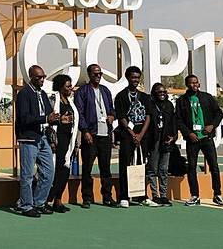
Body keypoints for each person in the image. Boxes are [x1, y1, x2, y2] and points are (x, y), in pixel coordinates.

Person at [15, 65, 60, 217]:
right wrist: (46, 118)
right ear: (31, 77)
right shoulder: (24, 94)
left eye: (43, 76)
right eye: (39, 77)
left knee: (49, 172)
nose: (42, 79)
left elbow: (48, 114)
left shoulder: (42, 94)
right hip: (28, 138)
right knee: (27, 175)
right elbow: (24, 118)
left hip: (42, 137)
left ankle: (39, 202)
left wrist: (58, 119)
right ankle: (26, 206)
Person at [176, 74, 223, 207]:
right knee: (191, 168)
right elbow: (178, 120)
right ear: (187, 84)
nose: (195, 85)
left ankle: (217, 194)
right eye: (192, 83)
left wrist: (212, 126)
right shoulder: (182, 100)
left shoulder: (207, 97)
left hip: (207, 138)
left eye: (196, 82)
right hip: (192, 139)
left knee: (214, 167)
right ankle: (194, 195)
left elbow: (218, 113)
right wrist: (188, 133)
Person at [74, 63, 118, 209]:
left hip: (105, 134)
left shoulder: (105, 91)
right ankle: (87, 197)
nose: (98, 76)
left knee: (105, 169)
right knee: (87, 168)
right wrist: (85, 131)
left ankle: (107, 197)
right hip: (91, 134)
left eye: (100, 74)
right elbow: (79, 113)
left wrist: (112, 116)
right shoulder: (82, 91)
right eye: (95, 74)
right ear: (89, 74)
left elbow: (111, 109)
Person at [114, 66, 154, 207]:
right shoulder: (121, 96)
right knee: (126, 165)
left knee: (142, 165)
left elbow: (148, 116)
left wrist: (141, 134)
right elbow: (122, 118)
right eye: (133, 77)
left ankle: (141, 196)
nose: (135, 80)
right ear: (128, 78)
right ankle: (124, 196)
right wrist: (133, 134)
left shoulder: (144, 97)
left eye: (137, 77)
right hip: (127, 137)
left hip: (142, 137)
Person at [47, 74, 79, 213]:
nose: (70, 88)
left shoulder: (70, 102)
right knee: (55, 170)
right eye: (67, 86)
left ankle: (58, 200)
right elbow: (50, 119)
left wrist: (76, 143)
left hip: (69, 141)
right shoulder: (53, 100)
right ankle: (46, 199)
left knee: (65, 171)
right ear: (60, 87)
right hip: (57, 140)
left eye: (70, 85)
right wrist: (61, 120)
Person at [146, 82, 177, 207]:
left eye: (164, 92)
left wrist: (174, 136)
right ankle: (155, 195)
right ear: (154, 93)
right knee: (153, 169)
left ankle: (163, 195)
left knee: (163, 169)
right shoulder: (150, 105)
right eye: (159, 92)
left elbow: (174, 122)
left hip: (166, 140)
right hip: (154, 140)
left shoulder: (169, 105)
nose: (162, 94)